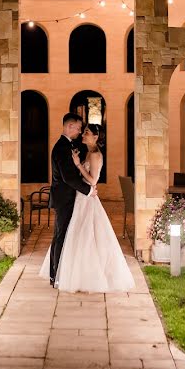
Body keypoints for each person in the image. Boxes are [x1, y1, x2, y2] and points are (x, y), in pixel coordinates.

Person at [40, 123, 135, 293]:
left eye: (86, 132)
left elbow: (93, 181)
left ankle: (83, 275)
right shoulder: (87, 152)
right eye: (82, 131)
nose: (82, 134)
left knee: (86, 235)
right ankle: (71, 271)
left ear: (96, 137)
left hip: (86, 198)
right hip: (80, 197)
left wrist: (78, 165)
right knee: (75, 234)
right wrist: (78, 163)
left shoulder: (96, 155)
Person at [43, 113, 94, 287]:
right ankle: (57, 275)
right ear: (70, 126)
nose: (80, 132)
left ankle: (55, 274)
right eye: (79, 128)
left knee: (60, 236)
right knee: (61, 236)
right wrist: (88, 190)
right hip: (64, 199)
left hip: (65, 198)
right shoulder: (61, 148)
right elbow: (68, 178)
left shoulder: (67, 145)